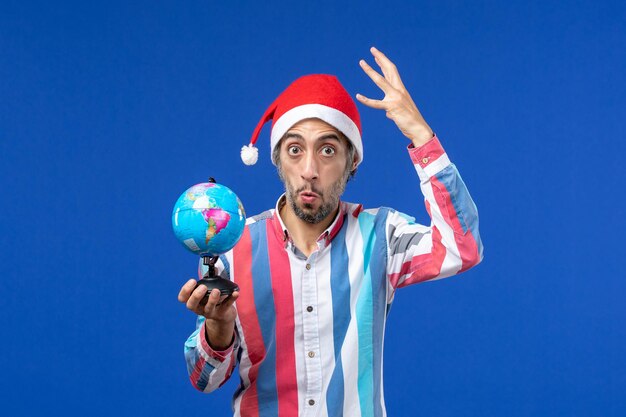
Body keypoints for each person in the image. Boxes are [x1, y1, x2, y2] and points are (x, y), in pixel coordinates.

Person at [178, 47, 483, 416]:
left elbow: (462, 248)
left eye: (326, 150)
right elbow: (204, 379)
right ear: (277, 159)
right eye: (294, 150)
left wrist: (420, 133)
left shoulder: (381, 236)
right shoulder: (231, 248)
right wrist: (219, 326)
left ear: (351, 160)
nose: (309, 169)